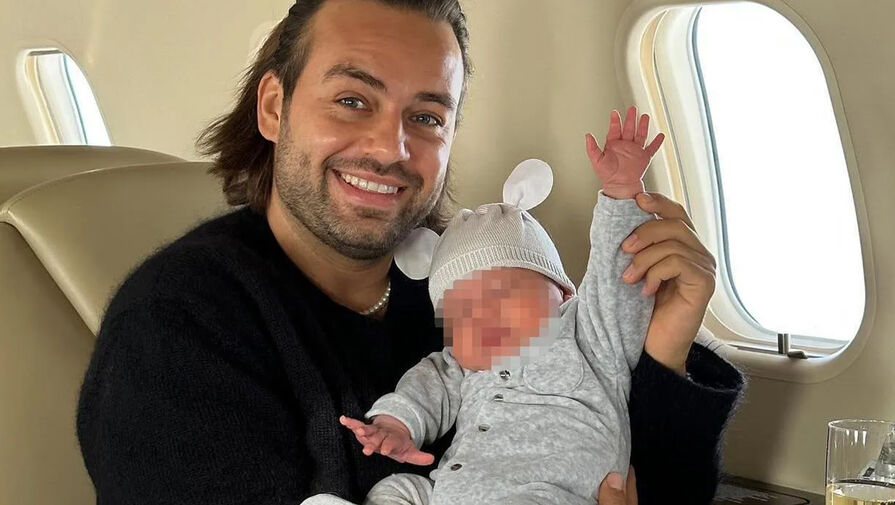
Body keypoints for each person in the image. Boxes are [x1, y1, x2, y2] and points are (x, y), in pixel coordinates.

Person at [75, 1, 744, 504]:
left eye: (425, 117)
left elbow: (631, 477)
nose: (389, 148)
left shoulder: (478, 280)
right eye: (351, 100)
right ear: (274, 107)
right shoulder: (176, 328)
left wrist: (663, 354)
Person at [301, 109, 664, 505]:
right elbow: (425, 387)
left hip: (547, 493)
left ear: (562, 293)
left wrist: (621, 192)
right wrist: (395, 425)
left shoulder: (588, 334)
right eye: (462, 316)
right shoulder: (462, 364)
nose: (483, 320)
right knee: (398, 489)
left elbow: (616, 280)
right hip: (453, 491)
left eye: (502, 296)